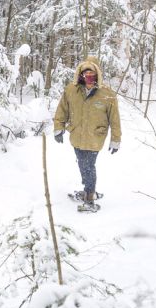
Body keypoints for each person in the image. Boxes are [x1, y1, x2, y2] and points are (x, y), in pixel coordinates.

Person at [52, 56, 121, 212]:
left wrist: (115, 139)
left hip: (95, 137)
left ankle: (89, 198)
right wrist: (58, 127)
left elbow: (115, 119)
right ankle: (89, 190)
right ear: (81, 75)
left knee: (88, 166)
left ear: (98, 75)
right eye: (86, 74)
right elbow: (62, 109)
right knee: (82, 163)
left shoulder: (107, 94)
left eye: (92, 75)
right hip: (76, 135)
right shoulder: (71, 90)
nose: (89, 78)